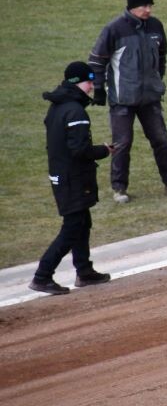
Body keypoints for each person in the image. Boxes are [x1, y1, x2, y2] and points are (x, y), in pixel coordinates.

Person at [88, 0, 167, 203]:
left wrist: (157, 79)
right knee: (122, 144)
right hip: (123, 99)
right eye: (144, 6)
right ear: (132, 7)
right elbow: (96, 60)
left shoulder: (156, 26)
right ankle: (119, 188)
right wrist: (99, 89)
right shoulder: (114, 29)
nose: (148, 10)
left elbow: (162, 55)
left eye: (150, 6)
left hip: (150, 98)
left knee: (161, 140)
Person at [30, 62, 116, 295]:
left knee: (82, 222)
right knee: (73, 226)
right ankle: (42, 275)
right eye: (89, 82)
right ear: (77, 83)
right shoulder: (76, 112)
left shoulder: (57, 107)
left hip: (61, 174)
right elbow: (80, 150)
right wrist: (104, 150)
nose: (92, 87)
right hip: (73, 177)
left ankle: (84, 271)